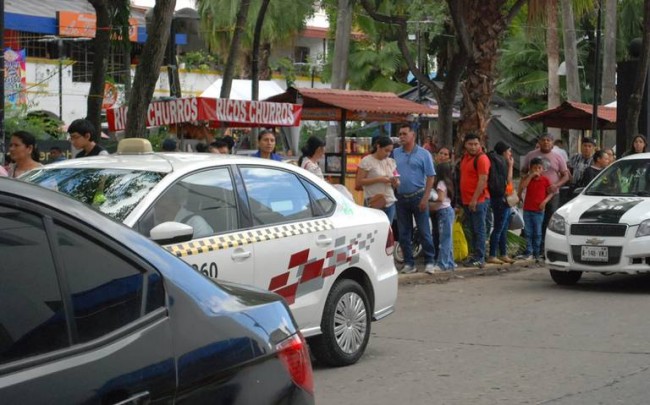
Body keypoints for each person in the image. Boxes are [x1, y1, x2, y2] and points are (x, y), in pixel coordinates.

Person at [393, 124, 437, 274]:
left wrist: (425, 198)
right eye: (400, 134)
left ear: (413, 135)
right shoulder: (395, 153)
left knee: (424, 231)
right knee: (404, 233)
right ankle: (409, 263)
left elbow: (431, 177)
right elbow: (392, 172)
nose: (401, 137)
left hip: (418, 196)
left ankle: (430, 261)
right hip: (400, 198)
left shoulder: (424, 154)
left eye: (404, 134)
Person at [521, 133, 570, 251]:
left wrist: (556, 185)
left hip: (552, 194)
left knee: (549, 220)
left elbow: (566, 176)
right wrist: (529, 178)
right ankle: (530, 247)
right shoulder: (531, 155)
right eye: (543, 140)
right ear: (539, 142)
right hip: (534, 194)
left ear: (553, 143)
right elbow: (523, 172)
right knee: (533, 221)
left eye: (549, 140)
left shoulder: (558, 157)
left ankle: (546, 246)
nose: (546, 142)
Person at [458, 133, 491, 268]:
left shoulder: (482, 159)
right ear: (465, 145)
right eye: (470, 144)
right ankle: (475, 255)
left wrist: (474, 200)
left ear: (480, 144)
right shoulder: (465, 158)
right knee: (472, 229)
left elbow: (483, 180)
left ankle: (480, 258)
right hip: (467, 200)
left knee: (479, 229)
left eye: (476, 144)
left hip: (478, 200)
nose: (473, 147)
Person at [356, 136, 400, 223]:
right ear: (378, 147)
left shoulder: (390, 162)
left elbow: (397, 178)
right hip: (374, 201)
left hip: (390, 201)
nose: (387, 154)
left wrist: (396, 182)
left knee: (387, 231)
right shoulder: (367, 161)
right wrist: (379, 179)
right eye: (386, 150)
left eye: (390, 151)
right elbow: (359, 182)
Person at [517, 158, 554, 262]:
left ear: (542, 169)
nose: (537, 170)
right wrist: (531, 175)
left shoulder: (545, 180)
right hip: (528, 209)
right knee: (528, 232)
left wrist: (545, 201)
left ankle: (537, 253)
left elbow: (551, 192)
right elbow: (524, 186)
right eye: (534, 168)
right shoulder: (528, 178)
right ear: (530, 169)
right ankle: (529, 252)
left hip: (538, 210)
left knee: (537, 232)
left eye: (539, 168)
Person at [487, 141, 516, 265]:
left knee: (503, 228)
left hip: (498, 197)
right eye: (509, 151)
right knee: (499, 227)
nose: (510, 154)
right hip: (501, 198)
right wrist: (510, 165)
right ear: (504, 152)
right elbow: (508, 179)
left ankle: (503, 253)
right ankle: (493, 254)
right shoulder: (502, 162)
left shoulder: (495, 160)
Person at [428, 162, 456, 273]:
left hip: (443, 211)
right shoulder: (448, 183)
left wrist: (431, 202)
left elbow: (440, 198)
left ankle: (442, 264)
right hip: (448, 211)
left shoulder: (440, 183)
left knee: (444, 239)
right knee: (448, 238)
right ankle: (449, 262)